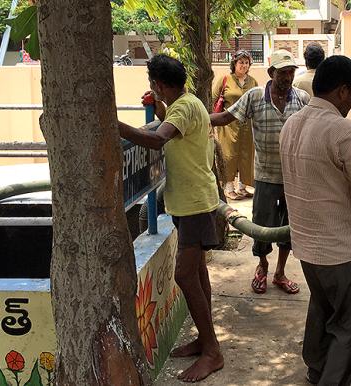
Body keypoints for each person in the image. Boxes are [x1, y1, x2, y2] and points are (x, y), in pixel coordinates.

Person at [280, 56, 351, 385]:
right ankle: (332, 376)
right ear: (343, 91)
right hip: (339, 250)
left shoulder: (292, 123)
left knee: (322, 307)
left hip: (306, 245)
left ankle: (317, 367)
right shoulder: (342, 129)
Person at [119, 54, 223, 383]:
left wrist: (112, 123)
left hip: (194, 203)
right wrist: (159, 109)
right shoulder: (187, 103)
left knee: (184, 274)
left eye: (154, 85)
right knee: (197, 272)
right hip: (191, 201)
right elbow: (174, 128)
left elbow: (157, 138)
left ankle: (213, 353)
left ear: (160, 84)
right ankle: (206, 341)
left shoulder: (183, 107)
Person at [210, 49, 310, 295]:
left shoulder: (302, 99)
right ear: (271, 73)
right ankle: (262, 268)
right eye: (282, 73)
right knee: (262, 227)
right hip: (265, 176)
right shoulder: (255, 96)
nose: (287, 78)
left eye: (290, 72)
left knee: (289, 227)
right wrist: (194, 118)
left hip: (294, 179)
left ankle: (280, 273)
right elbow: (225, 117)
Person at [213, 50, 258, 200]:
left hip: (247, 125)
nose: (244, 65)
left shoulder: (252, 81)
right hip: (228, 124)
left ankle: (243, 187)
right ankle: (228, 187)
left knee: (246, 154)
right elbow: (213, 97)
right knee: (229, 155)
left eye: (246, 63)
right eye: (241, 62)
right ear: (234, 64)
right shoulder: (225, 79)